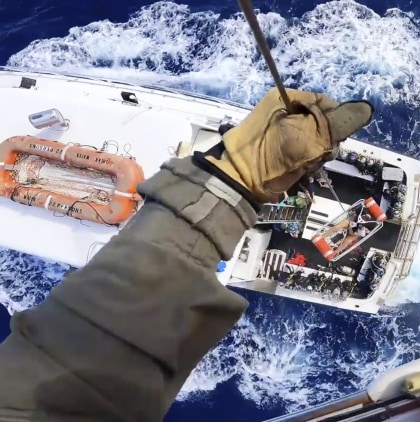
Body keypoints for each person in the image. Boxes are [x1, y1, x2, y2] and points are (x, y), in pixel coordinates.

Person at [0, 87, 374, 422]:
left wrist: (229, 190)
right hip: (187, 220)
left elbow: (62, 382)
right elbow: (61, 378)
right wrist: (230, 182)